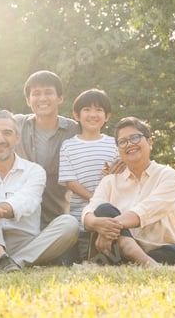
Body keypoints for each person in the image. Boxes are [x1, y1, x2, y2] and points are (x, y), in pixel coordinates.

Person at [0, 110, 78, 272]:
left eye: (7, 133)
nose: (0, 139)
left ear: (17, 138)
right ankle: (0, 257)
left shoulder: (34, 171)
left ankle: (9, 262)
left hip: (25, 243)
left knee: (69, 223)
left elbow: (25, 203)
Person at [82, 116, 175, 267]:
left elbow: (147, 210)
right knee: (104, 209)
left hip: (157, 248)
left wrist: (109, 228)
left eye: (135, 137)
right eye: (123, 141)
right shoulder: (110, 181)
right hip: (117, 248)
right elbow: (89, 212)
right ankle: (137, 256)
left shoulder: (166, 175)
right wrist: (96, 224)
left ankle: (130, 257)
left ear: (150, 142)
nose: (130, 144)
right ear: (118, 149)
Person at [58, 89, 119, 263]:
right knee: (77, 256)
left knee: (106, 255)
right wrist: (94, 198)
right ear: (76, 115)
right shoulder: (68, 146)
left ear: (107, 116)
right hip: (80, 217)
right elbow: (70, 181)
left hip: (108, 214)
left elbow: (119, 175)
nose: (93, 114)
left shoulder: (113, 144)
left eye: (99, 110)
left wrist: (110, 178)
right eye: (87, 110)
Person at [13, 70, 79, 229]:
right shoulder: (17, 124)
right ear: (28, 100)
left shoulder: (74, 130)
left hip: (57, 216)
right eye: (36, 93)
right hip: (20, 214)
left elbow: (96, 141)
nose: (42, 98)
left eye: (48, 92)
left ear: (60, 98)